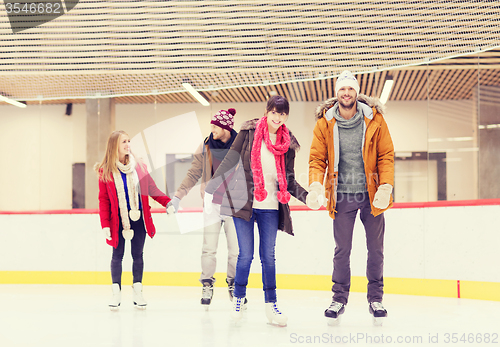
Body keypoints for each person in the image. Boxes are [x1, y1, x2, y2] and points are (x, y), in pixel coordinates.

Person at [204, 95, 308, 326]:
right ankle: (238, 298)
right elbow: (230, 160)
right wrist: (212, 188)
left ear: (286, 116)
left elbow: (289, 180)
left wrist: (307, 197)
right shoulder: (248, 133)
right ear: (267, 111)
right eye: (274, 112)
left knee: (268, 257)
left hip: (271, 207)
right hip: (244, 204)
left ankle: (271, 306)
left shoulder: (288, 143)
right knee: (246, 255)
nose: (278, 117)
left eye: (282, 114)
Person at [307, 70, 395, 325]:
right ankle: (338, 298)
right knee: (342, 250)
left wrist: (386, 186)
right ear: (337, 94)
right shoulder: (325, 122)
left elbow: (385, 155)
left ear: (357, 93)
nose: (346, 93)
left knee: (375, 249)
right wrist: (315, 185)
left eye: (350, 89)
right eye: (342, 89)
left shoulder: (374, 119)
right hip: (342, 194)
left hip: (371, 194)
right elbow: (316, 158)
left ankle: (375, 298)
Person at [170, 108, 239, 308]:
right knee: (208, 249)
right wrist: (178, 196)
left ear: (226, 128)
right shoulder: (206, 145)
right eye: (212, 125)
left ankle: (234, 284)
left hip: (235, 205)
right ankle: (207, 284)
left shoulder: (241, 145)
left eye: (216, 126)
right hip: (212, 205)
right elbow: (193, 173)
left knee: (235, 251)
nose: (212, 129)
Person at [96, 130, 173, 310]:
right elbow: (103, 199)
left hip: (139, 219)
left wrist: (167, 202)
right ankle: (116, 293)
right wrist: (105, 224)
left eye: (129, 141)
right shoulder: (105, 171)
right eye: (124, 141)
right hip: (118, 221)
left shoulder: (139, 167)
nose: (128, 144)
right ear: (114, 145)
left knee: (137, 256)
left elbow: (152, 188)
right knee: (117, 256)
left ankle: (138, 291)